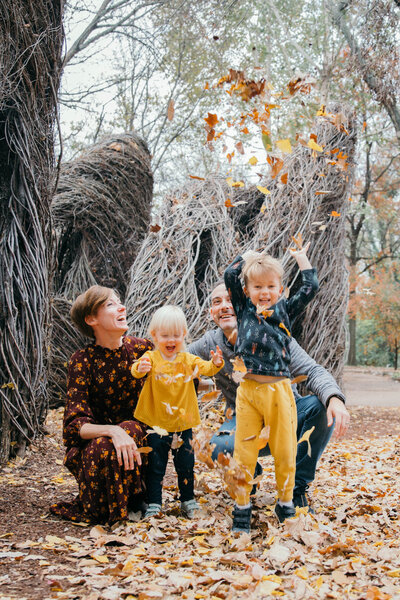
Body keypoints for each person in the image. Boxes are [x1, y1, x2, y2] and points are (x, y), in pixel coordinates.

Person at [189, 284, 349, 530]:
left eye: (229, 299)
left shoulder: (275, 333)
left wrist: (334, 398)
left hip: (286, 413)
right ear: (211, 312)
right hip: (245, 422)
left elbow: (313, 370)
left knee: (318, 406)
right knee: (218, 444)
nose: (223, 306)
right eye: (216, 302)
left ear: (244, 303)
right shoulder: (211, 343)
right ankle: (248, 480)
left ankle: (296, 490)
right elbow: (177, 361)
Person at [222, 244, 319, 531]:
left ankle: (285, 501)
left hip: (279, 391)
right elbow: (230, 275)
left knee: (285, 450)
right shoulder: (243, 309)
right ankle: (242, 505)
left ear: (280, 288)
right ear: (248, 290)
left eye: (270, 286)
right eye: (257, 286)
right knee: (244, 451)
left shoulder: (285, 309)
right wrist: (248, 258)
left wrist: (300, 257)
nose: (264, 292)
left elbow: (311, 286)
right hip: (249, 392)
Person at [50, 285, 152, 524]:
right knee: (104, 444)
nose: (122, 307)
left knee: (132, 428)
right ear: (91, 319)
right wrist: (113, 430)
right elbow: (75, 426)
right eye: (110, 304)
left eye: (119, 301)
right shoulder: (81, 361)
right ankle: (108, 507)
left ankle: (136, 498)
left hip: (140, 441)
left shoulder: (143, 349)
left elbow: (175, 376)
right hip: (98, 446)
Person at [132, 305, 224, 519]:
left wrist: (216, 363)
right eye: (165, 335)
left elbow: (207, 368)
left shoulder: (187, 359)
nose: (171, 340)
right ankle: (154, 502)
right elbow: (135, 369)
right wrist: (140, 368)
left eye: (176, 335)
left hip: (183, 422)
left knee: (185, 464)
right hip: (157, 422)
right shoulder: (151, 358)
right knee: (156, 464)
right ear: (154, 336)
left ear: (184, 335)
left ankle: (187, 500)